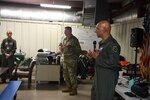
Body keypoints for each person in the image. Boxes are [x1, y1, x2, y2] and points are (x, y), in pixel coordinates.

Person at [87, 20, 121, 100]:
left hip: (106, 80)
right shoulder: (103, 43)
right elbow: (101, 60)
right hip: (99, 77)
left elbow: (113, 63)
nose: (96, 31)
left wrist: (97, 57)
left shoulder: (112, 44)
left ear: (104, 29)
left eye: (97, 28)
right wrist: (92, 58)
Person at [60, 26, 81, 96]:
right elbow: (63, 48)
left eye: (66, 31)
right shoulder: (65, 39)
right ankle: (69, 88)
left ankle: (74, 90)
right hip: (65, 60)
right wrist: (61, 49)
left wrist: (72, 55)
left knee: (72, 76)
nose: (64, 32)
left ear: (70, 31)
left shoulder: (74, 40)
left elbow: (78, 50)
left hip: (72, 61)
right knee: (65, 76)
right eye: (64, 31)